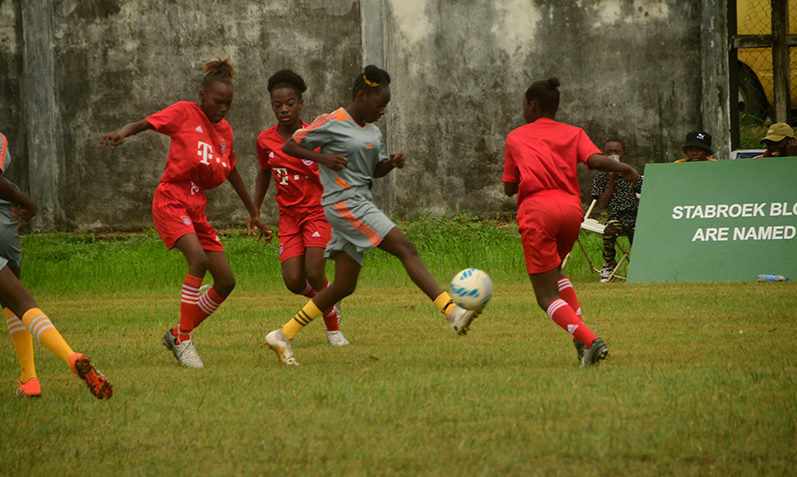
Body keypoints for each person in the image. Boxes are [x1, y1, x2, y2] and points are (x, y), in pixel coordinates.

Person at [263, 65, 480, 366]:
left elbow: (374, 170)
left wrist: (390, 163)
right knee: (407, 249)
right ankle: (452, 312)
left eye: (386, 106)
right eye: (380, 104)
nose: (383, 111)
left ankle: (282, 334)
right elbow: (290, 145)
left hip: (360, 202)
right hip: (344, 204)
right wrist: (322, 157)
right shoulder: (333, 121)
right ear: (361, 96)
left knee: (343, 286)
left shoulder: (373, 132)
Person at [102, 58, 271, 368]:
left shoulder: (225, 131)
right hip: (171, 200)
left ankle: (178, 332)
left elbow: (231, 170)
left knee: (225, 281)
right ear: (202, 95)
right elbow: (145, 123)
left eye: (228, 104)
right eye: (218, 102)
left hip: (196, 207)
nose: (223, 108)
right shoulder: (184, 112)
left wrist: (254, 212)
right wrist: (122, 133)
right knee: (199, 260)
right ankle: (184, 341)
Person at [502, 77, 639, 368]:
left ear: (531, 106)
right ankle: (582, 344)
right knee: (557, 273)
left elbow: (509, 187)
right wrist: (625, 166)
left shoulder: (516, 137)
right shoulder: (574, 133)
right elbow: (597, 161)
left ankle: (590, 339)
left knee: (545, 295)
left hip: (538, 210)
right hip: (570, 210)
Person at [0, 132, 112, 399]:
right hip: (4, 224)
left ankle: (38, 372)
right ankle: (41, 373)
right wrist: (24, 200)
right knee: (18, 302)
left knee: (13, 301)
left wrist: (25, 200)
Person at [255, 69, 347, 347]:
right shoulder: (264, 140)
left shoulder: (315, 136)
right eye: (277, 105)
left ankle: (333, 329)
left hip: (317, 212)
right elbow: (263, 172)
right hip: (289, 217)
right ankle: (327, 298)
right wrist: (255, 210)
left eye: (290, 103)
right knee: (293, 280)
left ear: (301, 104)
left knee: (315, 272)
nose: (284, 110)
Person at [590, 138, 643, 282]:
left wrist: (633, 179)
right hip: (616, 218)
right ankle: (609, 263)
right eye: (608, 153)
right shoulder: (601, 178)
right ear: (603, 155)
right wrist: (612, 180)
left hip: (635, 218)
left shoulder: (632, 174)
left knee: (639, 235)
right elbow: (603, 204)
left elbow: (647, 192)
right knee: (609, 231)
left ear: (623, 155)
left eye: (616, 152)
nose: (612, 155)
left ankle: (640, 267)